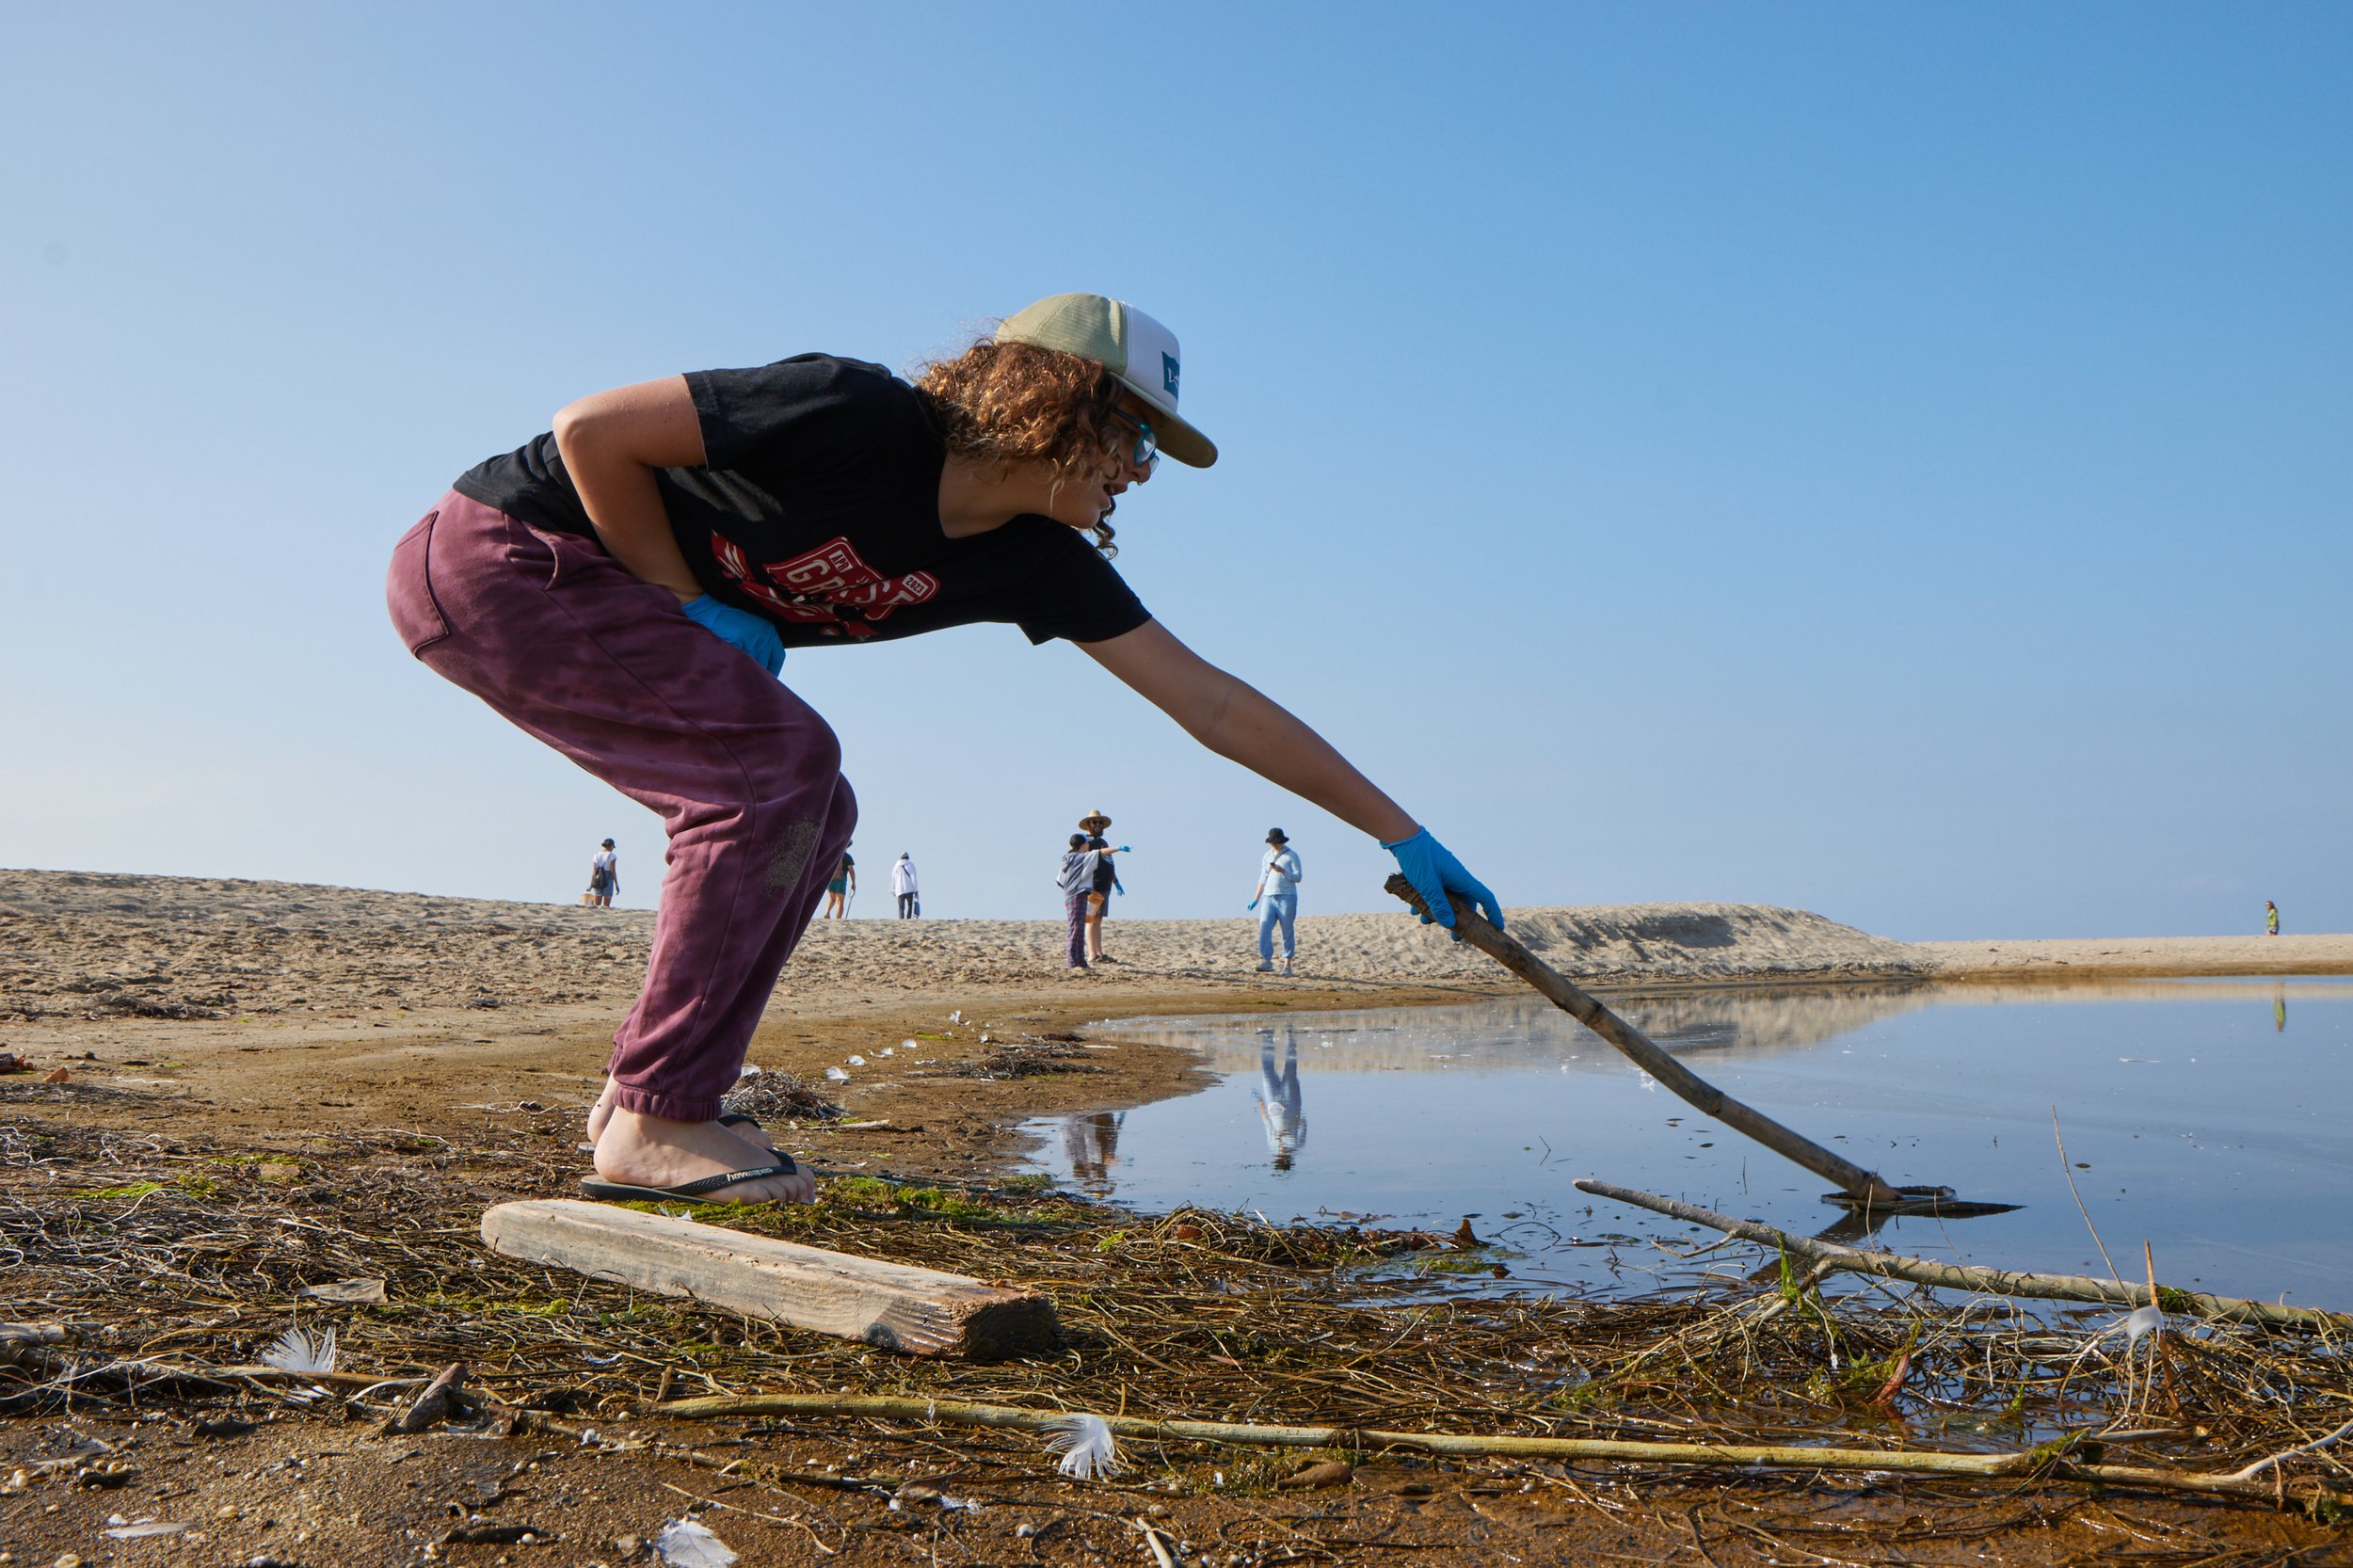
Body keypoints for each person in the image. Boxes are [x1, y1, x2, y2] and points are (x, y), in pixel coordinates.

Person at [386, 290, 1500, 1207]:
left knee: (818, 807)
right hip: (501, 553)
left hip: (562, 595)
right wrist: (682, 597)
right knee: (774, 773)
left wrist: (1399, 829)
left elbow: (1209, 703)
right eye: (1136, 438)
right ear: (1049, 401)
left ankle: (656, 1095)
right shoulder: (855, 413)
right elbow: (593, 431)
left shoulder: (1030, 559)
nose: (1144, 474)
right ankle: (657, 1117)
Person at [1250, 827, 1304, 974]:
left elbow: (1298, 877)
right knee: (1264, 927)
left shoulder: (1291, 855)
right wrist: (1256, 899)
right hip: (1268, 896)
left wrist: (1283, 871)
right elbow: (1263, 878)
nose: (1274, 845)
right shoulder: (1267, 856)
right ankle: (1267, 960)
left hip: (1287, 896)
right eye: (1273, 843)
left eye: (1277, 843)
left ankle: (1287, 964)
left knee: (1286, 929)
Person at [1056, 833, 1111, 969]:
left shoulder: (1069, 858)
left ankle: (1080, 961)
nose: (1089, 845)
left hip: (1076, 895)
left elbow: (1060, 880)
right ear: (1082, 845)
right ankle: (1073, 962)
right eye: (1086, 843)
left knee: (1078, 928)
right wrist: (1119, 848)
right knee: (1075, 929)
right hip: (1076, 895)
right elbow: (1100, 853)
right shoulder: (1080, 857)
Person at [1084, 835, 1120, 962]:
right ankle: (1091, 954)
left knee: (1098, 920)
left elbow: (1109, 863)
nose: (1098, 824)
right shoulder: (1087, 842)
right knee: (1091, 920)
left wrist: (1116, 881)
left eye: (1100, 822)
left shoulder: (1103, 841)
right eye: (1095, 822)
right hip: (1094, 886)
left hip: (1105, 886)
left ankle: (1099, 952)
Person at [823, 848, 856, 919]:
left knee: (832, 898)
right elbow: (851, 870)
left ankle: (827, 913)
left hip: (830, 879)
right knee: (840, 900)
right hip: (841, 880)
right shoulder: (847, 856)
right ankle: (838, 918)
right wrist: (853, 883)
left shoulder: (832, 855)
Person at [586, 838, 620, 907]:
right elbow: (613, 871)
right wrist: (616, 884)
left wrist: (590, 884)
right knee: (606, 904)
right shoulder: (612, 856)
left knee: (597, 903)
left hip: (597, 877)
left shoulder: (596, 855)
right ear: (611, 846)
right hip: (608, 877)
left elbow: (594, 870)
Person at [892, 852, 920, 919]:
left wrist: (893, 890)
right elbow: (914, 878)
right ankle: (908, 918)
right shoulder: (911, 865)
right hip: (909, 889)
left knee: (901, 907)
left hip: (899, 890)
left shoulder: (896, 866)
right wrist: (916, 890)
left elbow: (893, 879)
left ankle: (901, 919)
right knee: (910, 905)